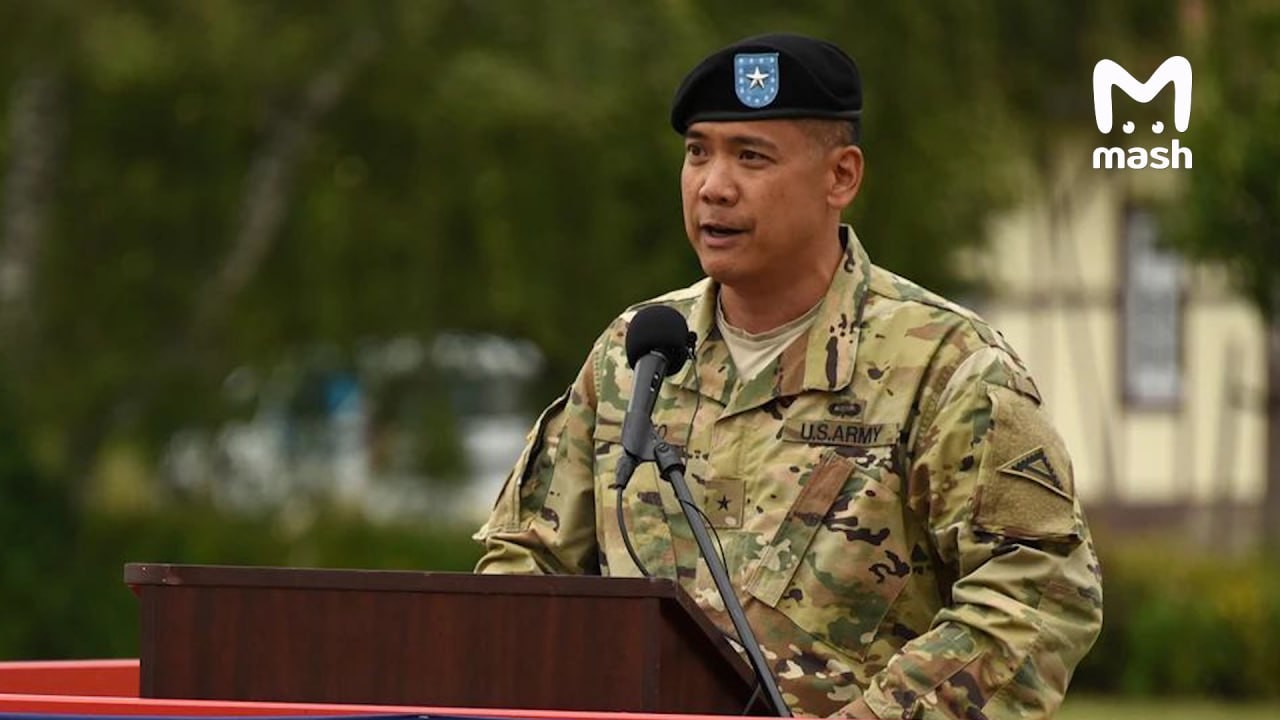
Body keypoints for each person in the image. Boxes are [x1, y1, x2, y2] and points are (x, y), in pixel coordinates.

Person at [474, 33, 1102, 720]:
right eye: (698, 152)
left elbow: (1037, 595)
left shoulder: (945, 365)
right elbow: (524, 569)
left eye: (751, 156)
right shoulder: (636, 354)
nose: (713, 186)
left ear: (841, 177)